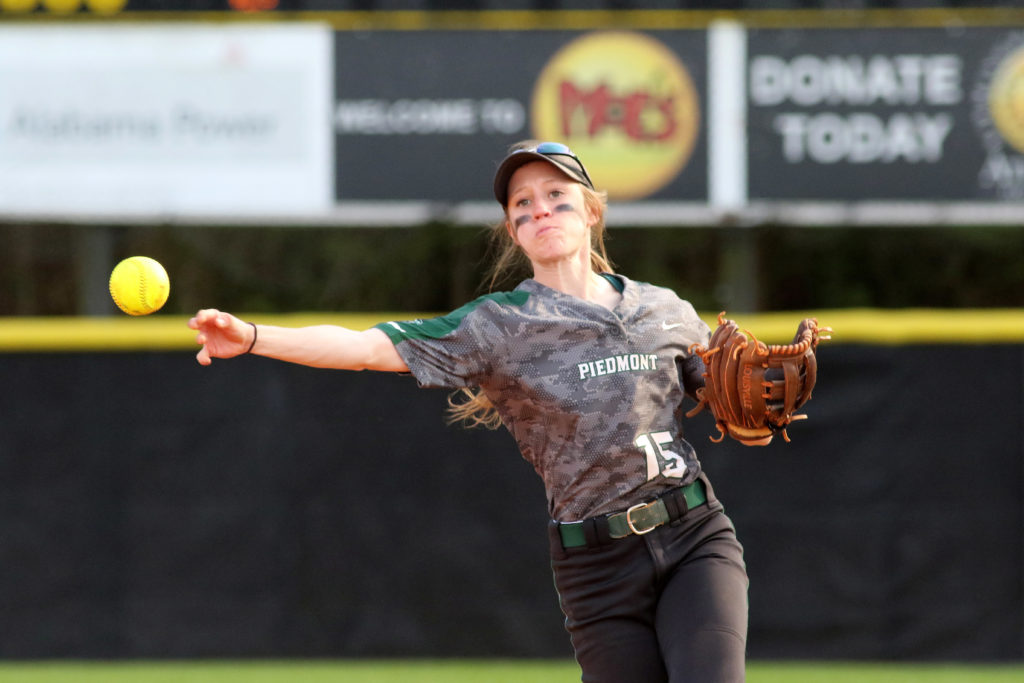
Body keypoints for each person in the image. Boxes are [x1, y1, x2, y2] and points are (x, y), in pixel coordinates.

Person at [189, 140, 749, 682]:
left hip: (693, 535)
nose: (541, 209)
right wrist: (255, 336)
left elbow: (732, 407)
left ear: (592, 210)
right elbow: (366, 349)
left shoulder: (663, 309)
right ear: (513, 230)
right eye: (522, 204)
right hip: (596, 565)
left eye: (557, 194)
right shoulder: (498, 325)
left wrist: (756, 416)